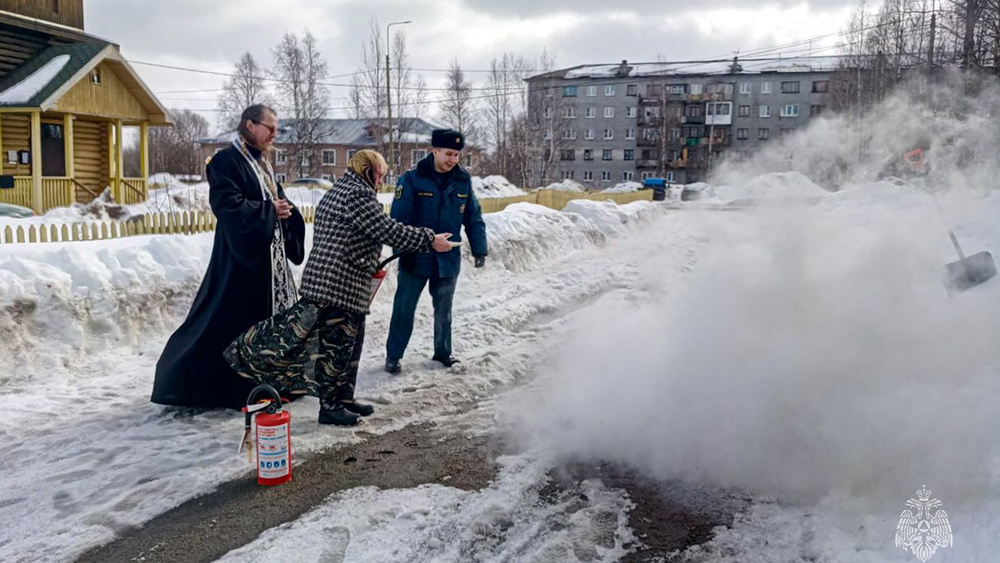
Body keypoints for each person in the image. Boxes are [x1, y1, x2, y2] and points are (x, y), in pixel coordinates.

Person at [224, 150, 454, 425]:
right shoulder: (356, 195)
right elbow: (387, 230)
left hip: (339, 281)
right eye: (380, 173)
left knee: (351, 342)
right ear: (369, 171)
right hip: (338, 285)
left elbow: (354, 236)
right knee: (337, 347)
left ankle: (344, 398)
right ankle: (330, 406)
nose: (381, 180)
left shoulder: (340, 190)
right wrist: (430, 239)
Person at [150, 104, 305, 410]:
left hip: (267, 263)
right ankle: (216, 387)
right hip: (239, 260)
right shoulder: (225, 161)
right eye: (270, 128)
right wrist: (268, 211)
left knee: (268, 325)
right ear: (250, 125)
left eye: (276, 129)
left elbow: (277, 198)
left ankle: (271, 384)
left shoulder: (264, 164)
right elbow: (227, 206)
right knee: (229, 324)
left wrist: (286, 211)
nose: (274, 134)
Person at [384, 129, 488, 374]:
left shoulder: (463, 180)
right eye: (449, 154)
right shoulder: (412, 179)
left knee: (444, 309)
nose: (453, 160)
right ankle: (393, 355)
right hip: (415, 256)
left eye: (457, 155)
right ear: (435, 151)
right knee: (404, 308)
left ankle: (443, 352)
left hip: (447, 258)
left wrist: (479, 247)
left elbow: (473, 217)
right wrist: (403, 251)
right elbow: (398, 220)